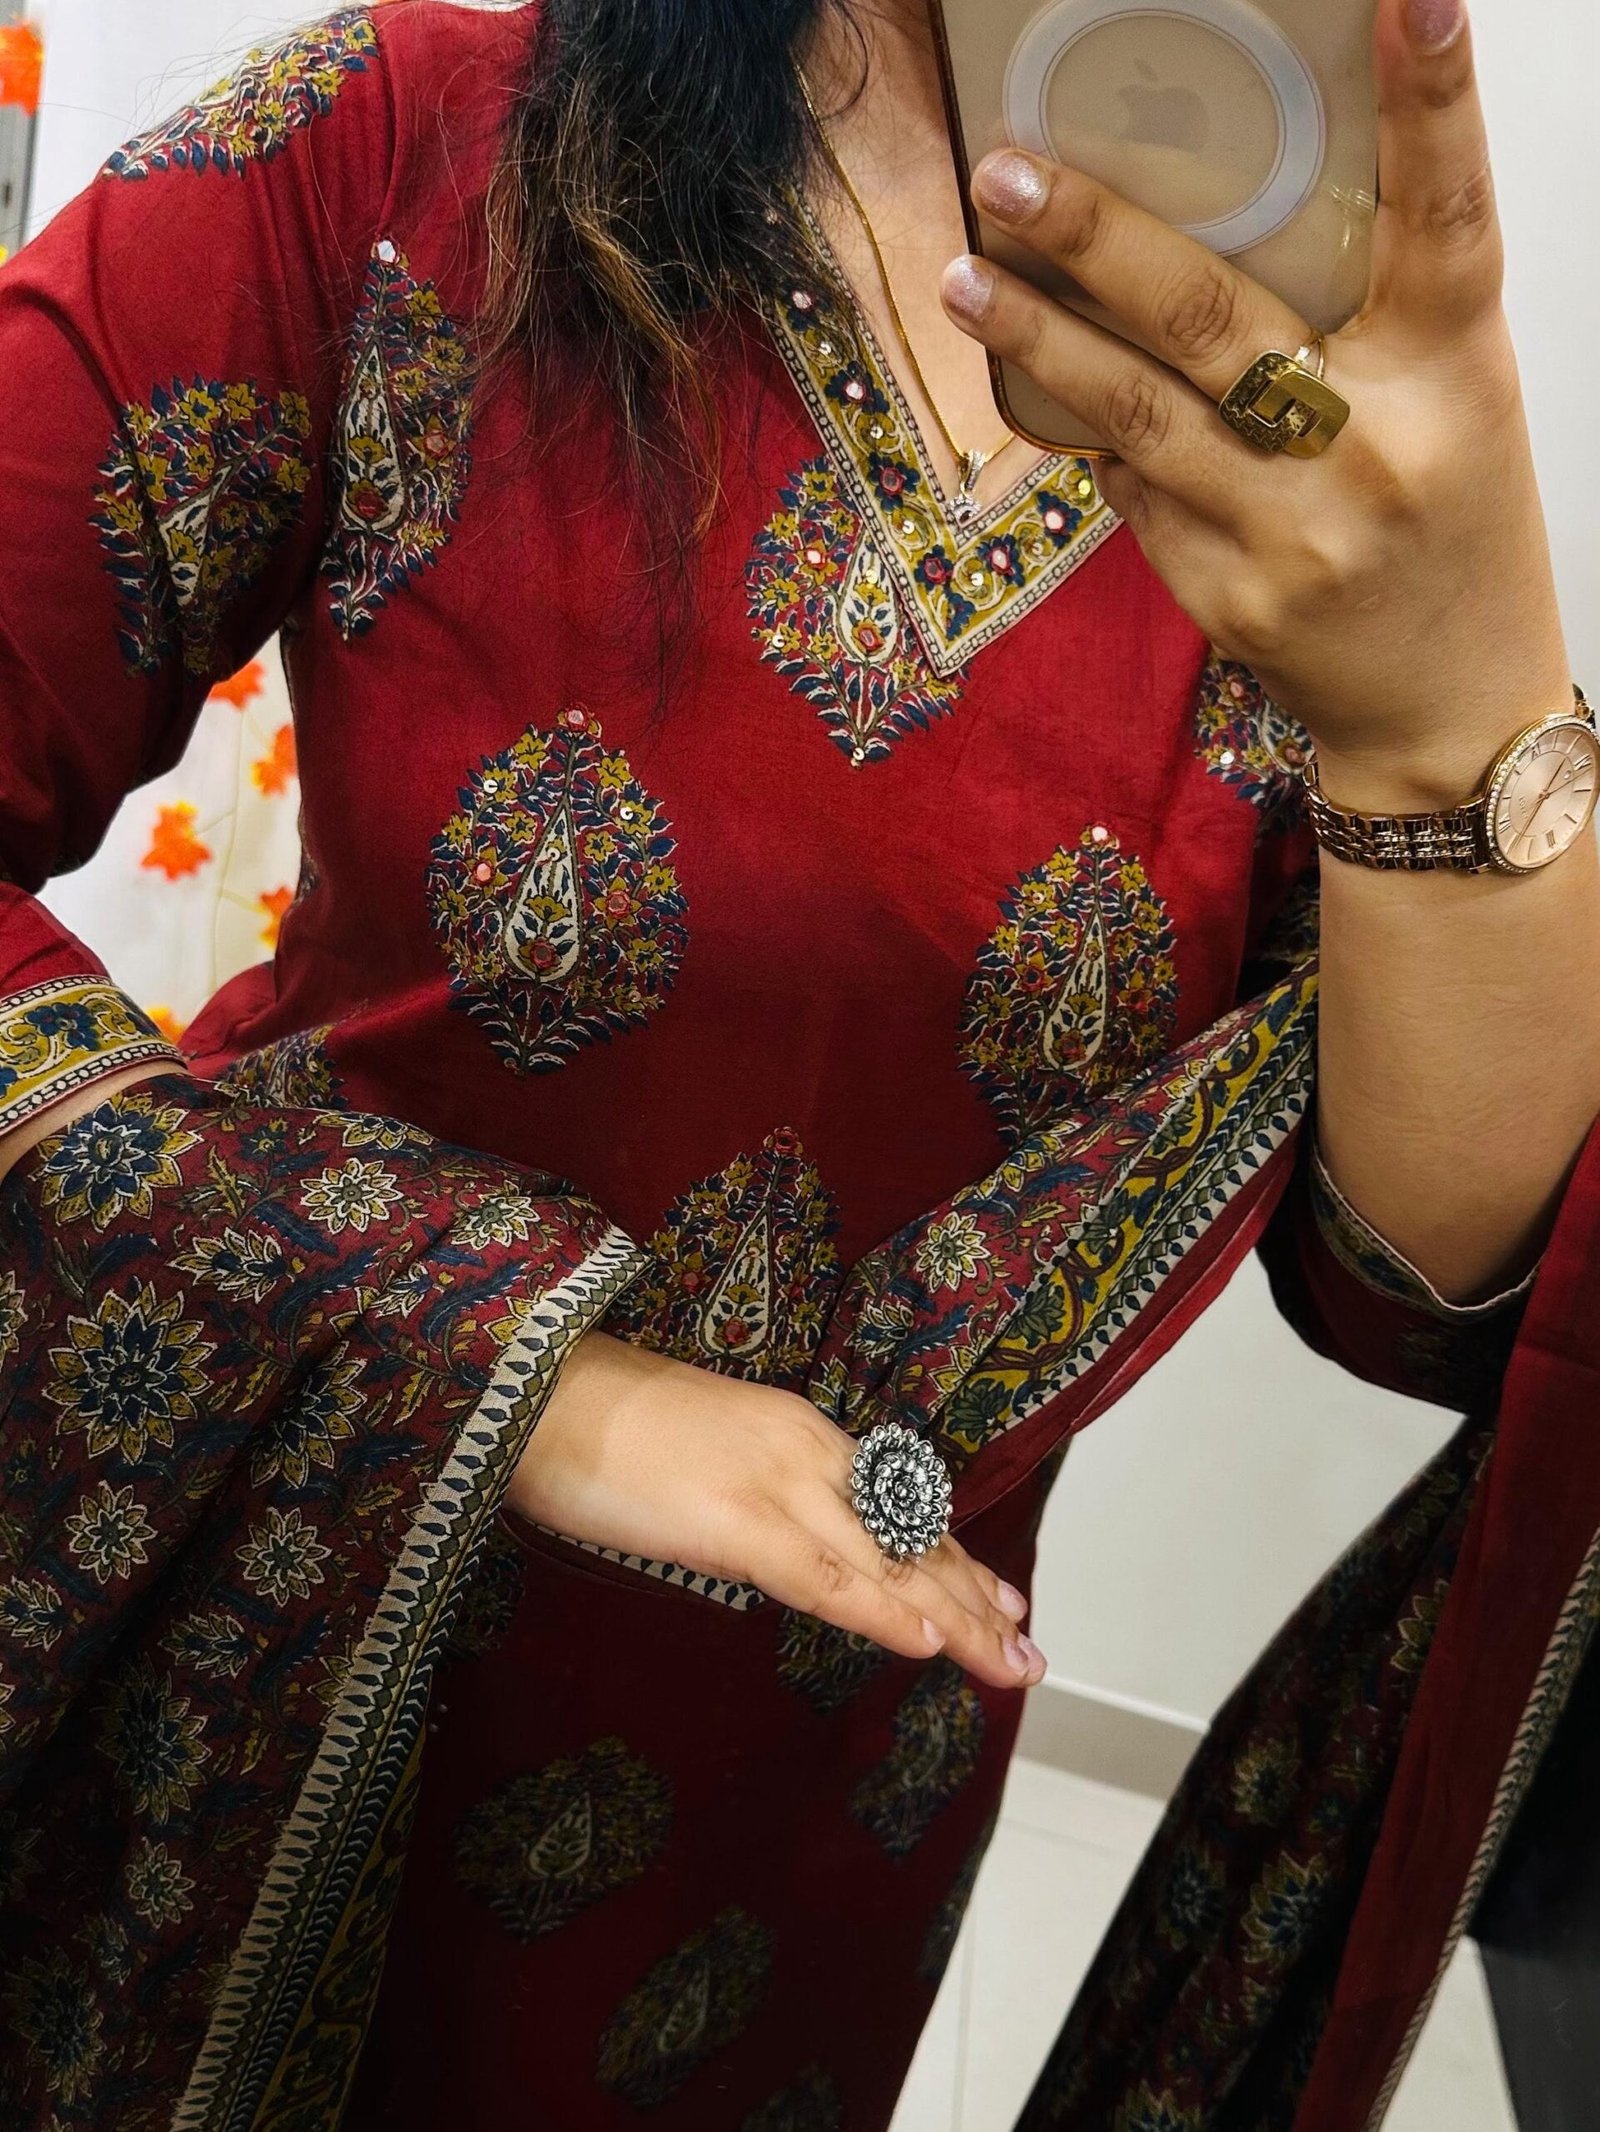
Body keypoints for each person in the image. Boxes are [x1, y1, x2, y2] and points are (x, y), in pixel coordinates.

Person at [0, 1, 1596, 2126]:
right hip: (264, 1625)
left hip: (828, 1786)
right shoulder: (404, 150)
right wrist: (513, 1368)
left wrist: (1456, 717)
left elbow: (1430, 1284)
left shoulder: (1331, 423)